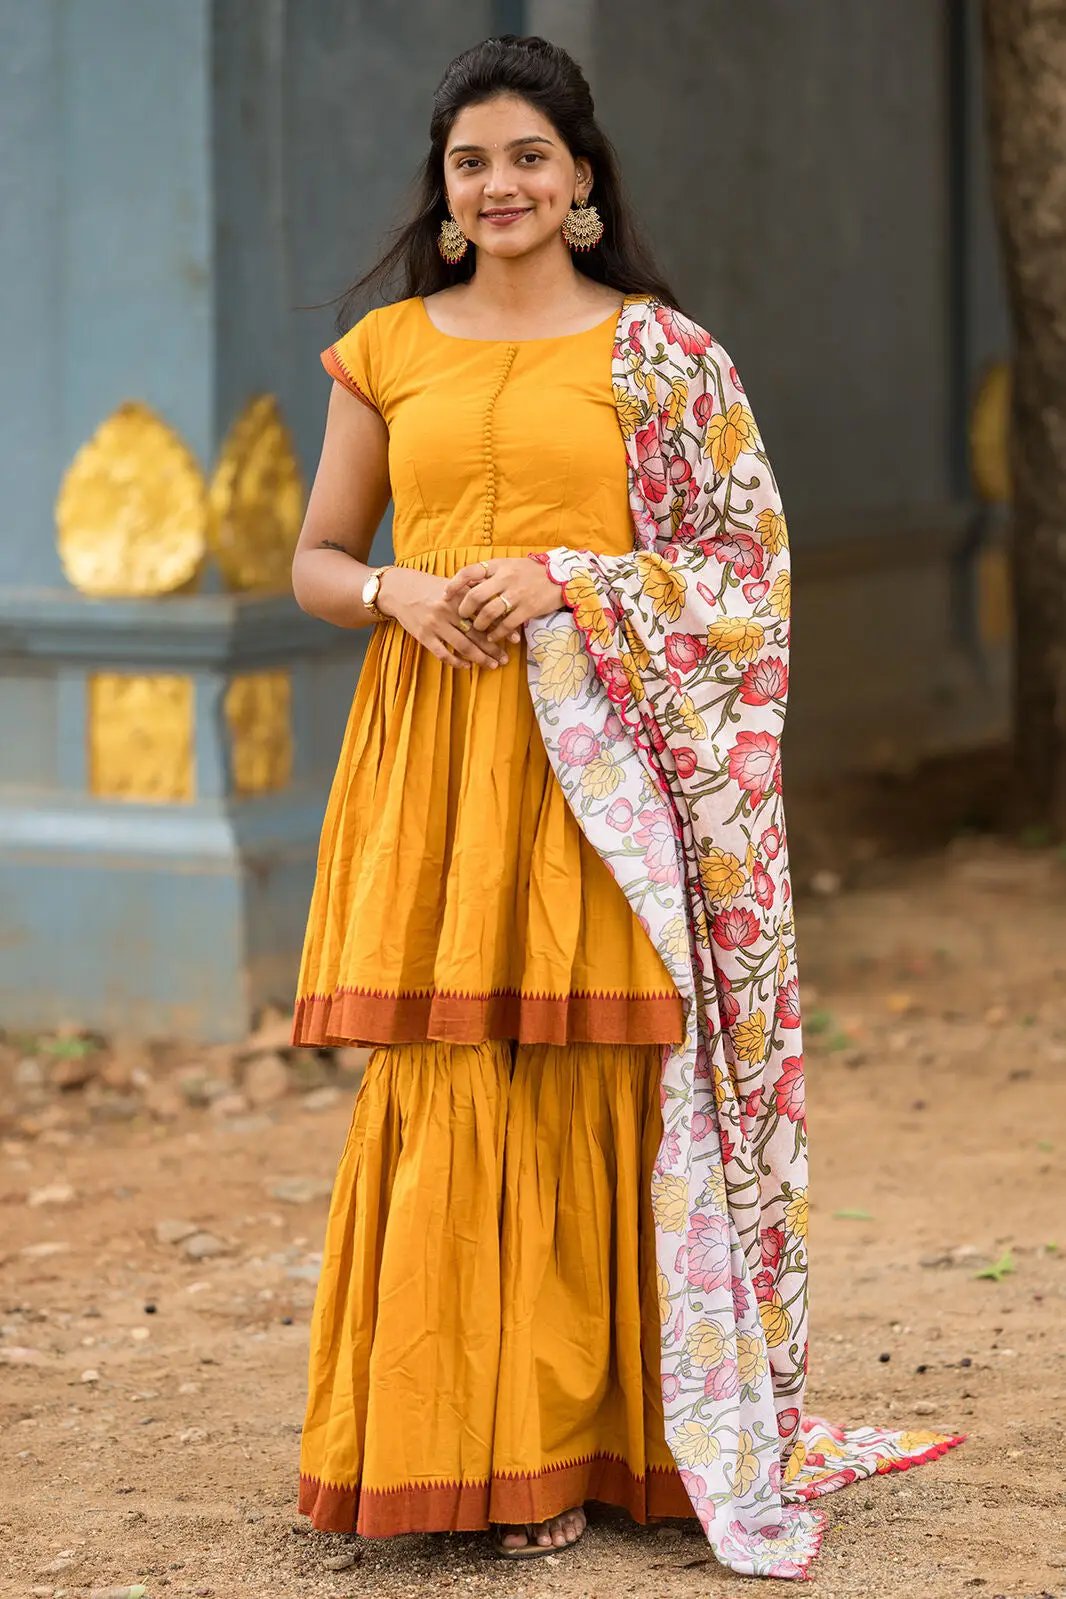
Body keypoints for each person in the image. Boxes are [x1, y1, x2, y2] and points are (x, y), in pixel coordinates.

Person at [289, 33, 963, 1582]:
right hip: (444, 755)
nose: (501, 184)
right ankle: (464, 1452)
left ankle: (635, 1443)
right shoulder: (384, 350)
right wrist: (397, 588)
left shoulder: (665, 356)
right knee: (458, 1075)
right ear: (445, 194)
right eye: (472, 162)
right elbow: (318, 558)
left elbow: (747, 572)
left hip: (616, 776)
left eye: (529, 155)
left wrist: (576, 582)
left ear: (581, 180)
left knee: (611, 1077)